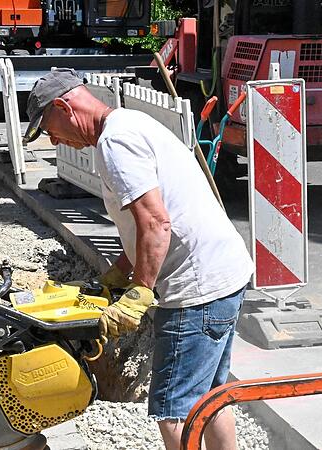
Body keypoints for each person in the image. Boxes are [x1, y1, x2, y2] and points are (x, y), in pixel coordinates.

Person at [23, 69, 254, 450]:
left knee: (174, 410)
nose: (52, 139)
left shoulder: (116, 143)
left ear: (65, 107)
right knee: (212, 396)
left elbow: (156, 223)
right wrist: (119, 272)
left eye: (49, 127)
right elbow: (145, 223)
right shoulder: (128, 124)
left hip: (194, 288)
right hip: (223, 273)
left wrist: (139, 293)